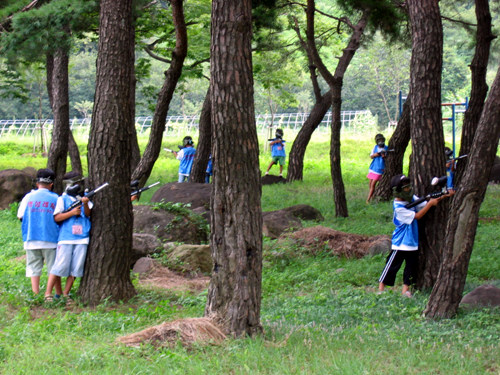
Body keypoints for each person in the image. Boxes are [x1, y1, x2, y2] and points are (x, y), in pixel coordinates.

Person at [378, 174, 451, 297]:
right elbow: (417, 216)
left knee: (411, 268)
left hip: (412, 242)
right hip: (400, 243)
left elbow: (424, 202)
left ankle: (405, 290)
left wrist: (443, 195)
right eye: (405, 188)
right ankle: (380, 289)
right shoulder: (398, 207)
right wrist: (430, 204)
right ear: (398, 191)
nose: (408, 190)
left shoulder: (411, 199)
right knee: (391, 266)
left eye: (408, 187)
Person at [44, 174, 92, 302]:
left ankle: (66, 293)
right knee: (59, 265)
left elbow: (88, 214)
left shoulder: (83, 197)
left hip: (82, 237)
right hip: (66, 237)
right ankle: (48, 294)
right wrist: (71, 213)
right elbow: (56, 217)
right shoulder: (62, 199)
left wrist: (85, 204)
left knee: (76, 267)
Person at [17, 168, 60, 295]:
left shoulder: (28, 197)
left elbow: (20, 216)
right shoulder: (56, 198)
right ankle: (51, 294)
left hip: (31, 238)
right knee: (53, 268)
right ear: (51, 184)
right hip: (51, 239)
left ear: (37, 183)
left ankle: (35, 293)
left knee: (33, 267)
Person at [366, 133, 388, 203]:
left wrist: (384, 156)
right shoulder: (375, 147)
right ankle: (372, 196)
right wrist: (377, 154)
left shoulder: (386, 148)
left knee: (373, 184)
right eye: (379, 140)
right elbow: (371, 156)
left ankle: (368, 200)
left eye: (382, 140)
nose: (381, 142)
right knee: (370, 183)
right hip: (373, 167)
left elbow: (386, 158)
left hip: (380, 168)